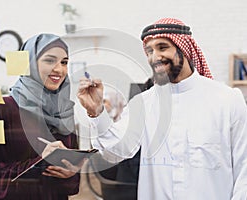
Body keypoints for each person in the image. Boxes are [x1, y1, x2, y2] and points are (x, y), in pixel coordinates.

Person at [77, 18, 247, 199]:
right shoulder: (143, 103)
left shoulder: (227, 100)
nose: (154, 57)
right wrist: (96, 112)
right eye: (149, 51)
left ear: (185, 49)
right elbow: (115, 152)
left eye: (162, 47)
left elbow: (244, 167)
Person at [0, 34, 80, 200]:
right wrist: (38, 164)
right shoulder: (0, 111)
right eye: (49, 60)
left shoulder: (64, 111)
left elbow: (71, 183)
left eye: (64, 62)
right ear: (30, 63)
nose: (59, 69)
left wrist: (70, 173)